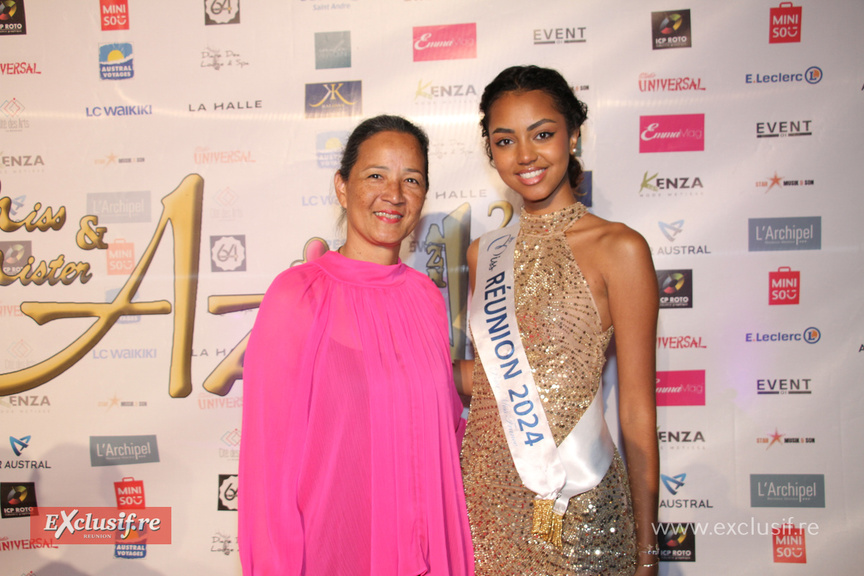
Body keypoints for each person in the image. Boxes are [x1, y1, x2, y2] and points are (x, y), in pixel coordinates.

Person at [239, 115, 474, 576]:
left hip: (431, 548)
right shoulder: (298, 294)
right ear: (342, 188)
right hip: (337, 550)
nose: (394, 194)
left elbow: (441, 427)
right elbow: (269, 465)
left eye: (412, 179)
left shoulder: (426, 297)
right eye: (375, 176)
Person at [459, 66, 660, 575]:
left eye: (543, 134)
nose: (525, 156)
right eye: (505, 141)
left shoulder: (620, 248)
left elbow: (636, 409)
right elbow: (486, 384)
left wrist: (647, 550)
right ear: (491, 152)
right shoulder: (484, 254)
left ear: (573, 135)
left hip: (580, 500)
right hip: (484, 503)